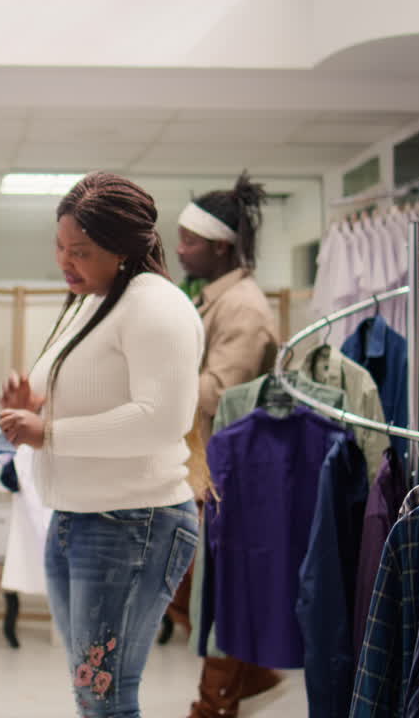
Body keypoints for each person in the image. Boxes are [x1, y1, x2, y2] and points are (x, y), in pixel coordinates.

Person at [0, 172, 204, 718]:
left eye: (81, 251)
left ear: (122, 250)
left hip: (133, 522)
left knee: (104, 697)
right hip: (78, 517)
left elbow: (162, 420)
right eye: (60, 247)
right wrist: (33, 402)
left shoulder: (156, 306)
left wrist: (49, 433)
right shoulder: (92, 300)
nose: (65, 262)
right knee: (93, 694)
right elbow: (87, 390)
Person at [173, 171, 281, 718]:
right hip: (207, 467)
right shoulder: (216, 300)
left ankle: (215, 702)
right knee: (195, 586)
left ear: (220, 246)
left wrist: (155, 380)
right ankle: (250, 674)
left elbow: (221, 393)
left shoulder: (243, 307)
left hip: (232, 473)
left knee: (213, 589)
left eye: (189, 240)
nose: (179, 249)